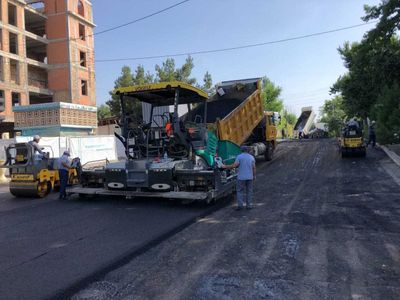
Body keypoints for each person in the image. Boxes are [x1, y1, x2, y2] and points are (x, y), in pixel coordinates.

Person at [222, 146, 256, 210]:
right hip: (249, 177)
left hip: (241, 177)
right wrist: (254, 176)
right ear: (248, 150)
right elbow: (254, 168)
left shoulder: (239, 157)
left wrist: (225, 166)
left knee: (240, 191)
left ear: (242, 150)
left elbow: (234, 165)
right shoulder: (251, 157)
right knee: (249, 191)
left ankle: (240, 205)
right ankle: (249, 206)